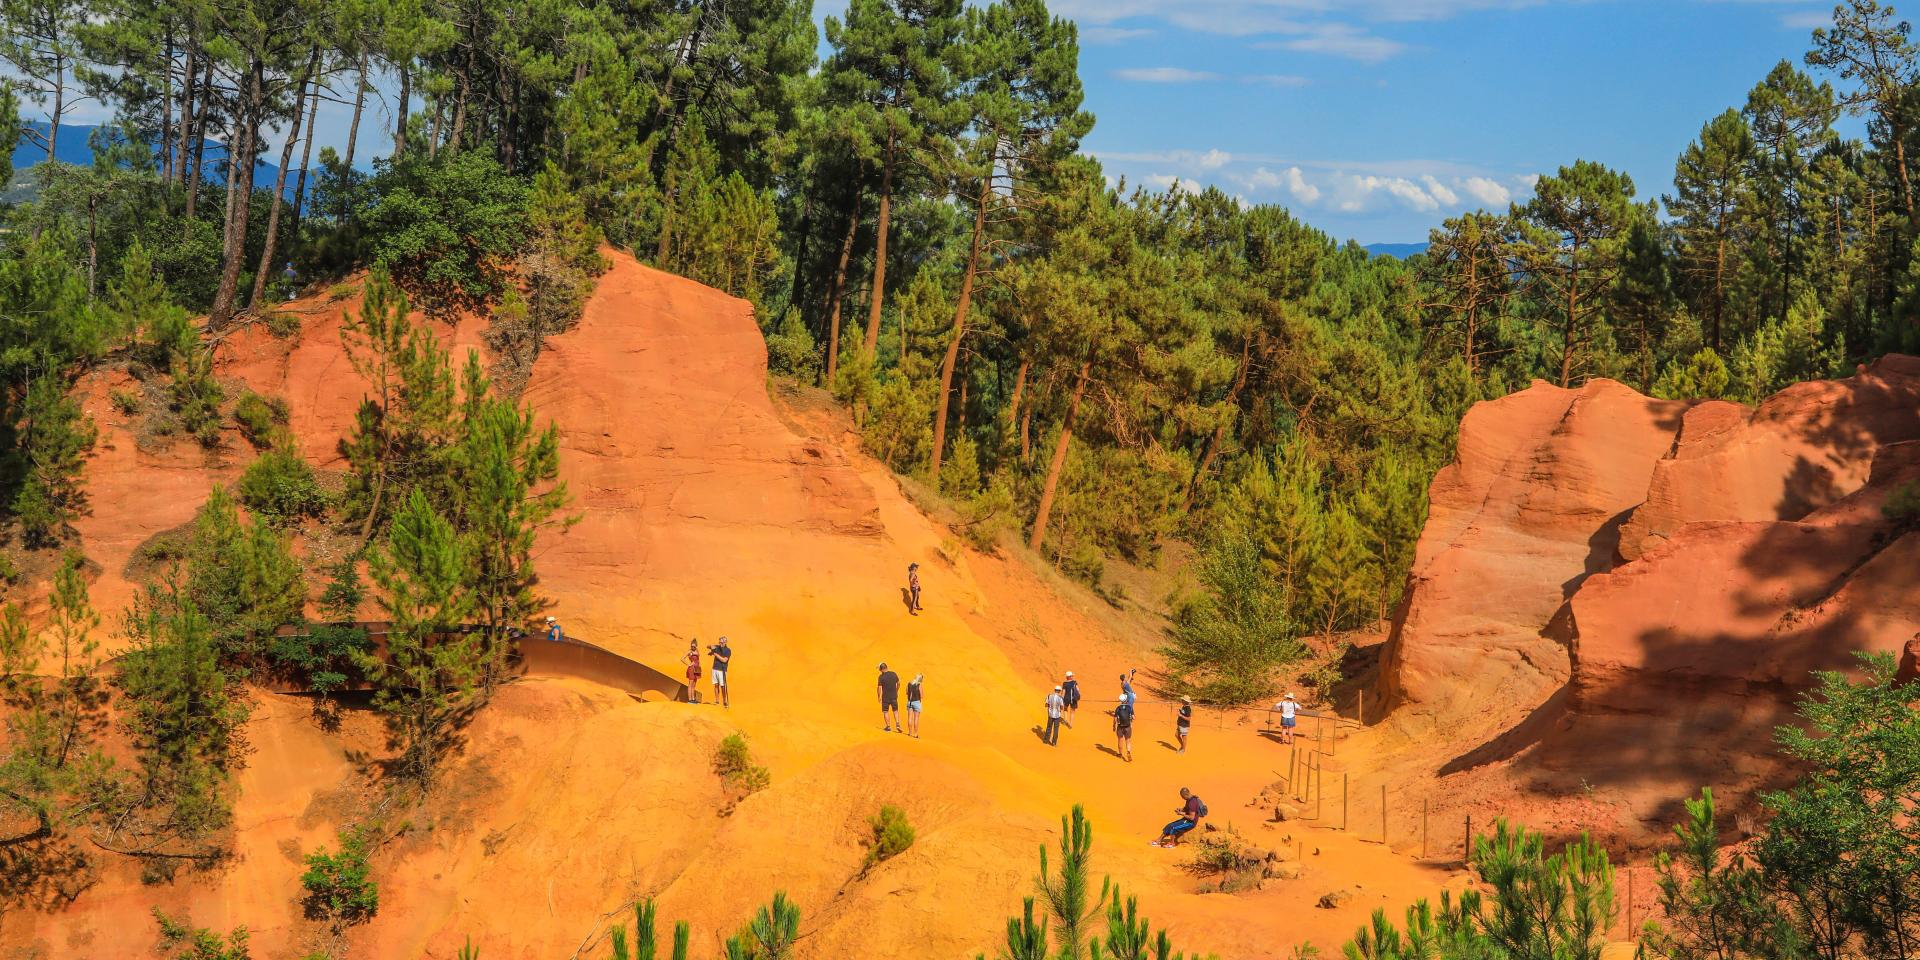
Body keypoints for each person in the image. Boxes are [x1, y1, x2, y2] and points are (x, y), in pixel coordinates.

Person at [878, 662, 903, 732]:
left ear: (881, 669)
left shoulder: (881, 677)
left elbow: (879, 688)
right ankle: (898, 724)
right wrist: (896, 690)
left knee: (885, 711)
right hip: (894, 696)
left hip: (885, 697)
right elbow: (899, 683)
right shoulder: (893, 674)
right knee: (895, 710)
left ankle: (888, 726)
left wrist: (879, 696)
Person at [711, 636, 732, 708]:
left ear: (725, 642)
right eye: (719, 642)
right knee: (716, 685)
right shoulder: (717, 647)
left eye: (722, 642)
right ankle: (717, 700)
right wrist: (711, 647)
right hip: (715, 669)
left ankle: (724, 701)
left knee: (723, 686)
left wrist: (716, 654)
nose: (720, 643)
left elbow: (724, 660)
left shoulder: (728, 650)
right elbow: (708, 646)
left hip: (722, 670)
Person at [1113, 694, 1134, 762]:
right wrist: (1131, 721)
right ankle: (1128, 752)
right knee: (1128, 741)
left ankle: (1120, 754)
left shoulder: (1118, 708)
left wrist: (1113, 726)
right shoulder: (1130, 707)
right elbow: (1133, 717)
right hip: (1128, 727)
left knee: (1120, 740)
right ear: (1126, 700)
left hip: (1120, 727)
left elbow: (1115, 719)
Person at [905, 673, 924, 738]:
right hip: (917, 702)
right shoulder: (919, 685)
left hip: (909, 702)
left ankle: (910, 733)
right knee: (916, 719)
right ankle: (915, 734)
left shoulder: (909, 683)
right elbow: (922, 695)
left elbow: (907, 692)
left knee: (910, 718)